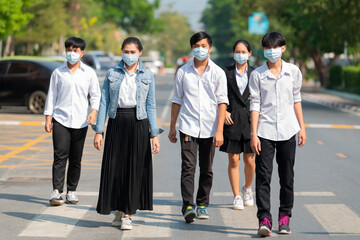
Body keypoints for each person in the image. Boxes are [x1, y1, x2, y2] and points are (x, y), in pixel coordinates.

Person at [93, 37, 162, 231]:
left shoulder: (147, 75)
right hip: (117, 122)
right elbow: (104, 102)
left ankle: (128, 214)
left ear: (140, 53)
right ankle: (118, 209)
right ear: (121, 52)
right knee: (115, 168)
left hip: (139, 122)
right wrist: (99, 131)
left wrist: (154, 134)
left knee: (134, 168)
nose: (129, 55)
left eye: (133, 52)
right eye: (126, 51)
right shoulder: (112, 73)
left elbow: (151, 106)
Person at [249, 32, 306, 236]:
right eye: (267, 48)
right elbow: (255, 104)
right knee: (263, 177)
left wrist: (302, 127)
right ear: (263, 50)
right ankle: (264, 218)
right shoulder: (257, 75)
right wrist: (254, 134)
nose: (271, 51)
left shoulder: (293, 72)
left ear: (283, 48)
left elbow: (296, 99)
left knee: (287, 176)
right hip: (264, 131)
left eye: (274, 47)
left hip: (288, 130)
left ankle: (284, 216)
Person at [168, 31, 228, 223]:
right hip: (188, 126)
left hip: (210, 129)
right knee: (188, 167)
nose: (200, 49)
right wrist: (172, 127)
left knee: (207, 168)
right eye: (196, 46)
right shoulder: (183, 72)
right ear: (191, 48)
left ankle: (202, 204)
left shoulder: (218, 73)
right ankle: (187, 206)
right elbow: (177, 100)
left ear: (209, 48)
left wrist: (219, 131)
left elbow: (222, 103)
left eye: (203, 46)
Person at [44, 37, 101, 206]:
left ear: (81, 53)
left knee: (76, 158)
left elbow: (95, 95)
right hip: (60, 119)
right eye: (69, 50)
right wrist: (48, 117)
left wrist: (94, 111)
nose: (72, 53)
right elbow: (51, 96)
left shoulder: (89, 73)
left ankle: (71, 191)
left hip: (81, 121)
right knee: (60, 155)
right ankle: (56, 191)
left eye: (75, 51)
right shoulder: (58, 72)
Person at [220, 39, 255, 210]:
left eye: (243, 52)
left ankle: (247, 189)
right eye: (237, 51)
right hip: (231, 119)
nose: (240, 55)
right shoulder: (225, 73)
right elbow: (218, 95)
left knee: (250, 160)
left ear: (249, 53)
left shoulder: (256, 74)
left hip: (250, 120)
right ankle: (236, 196)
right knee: (234, 160)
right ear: (233, 53)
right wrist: (224, 111)